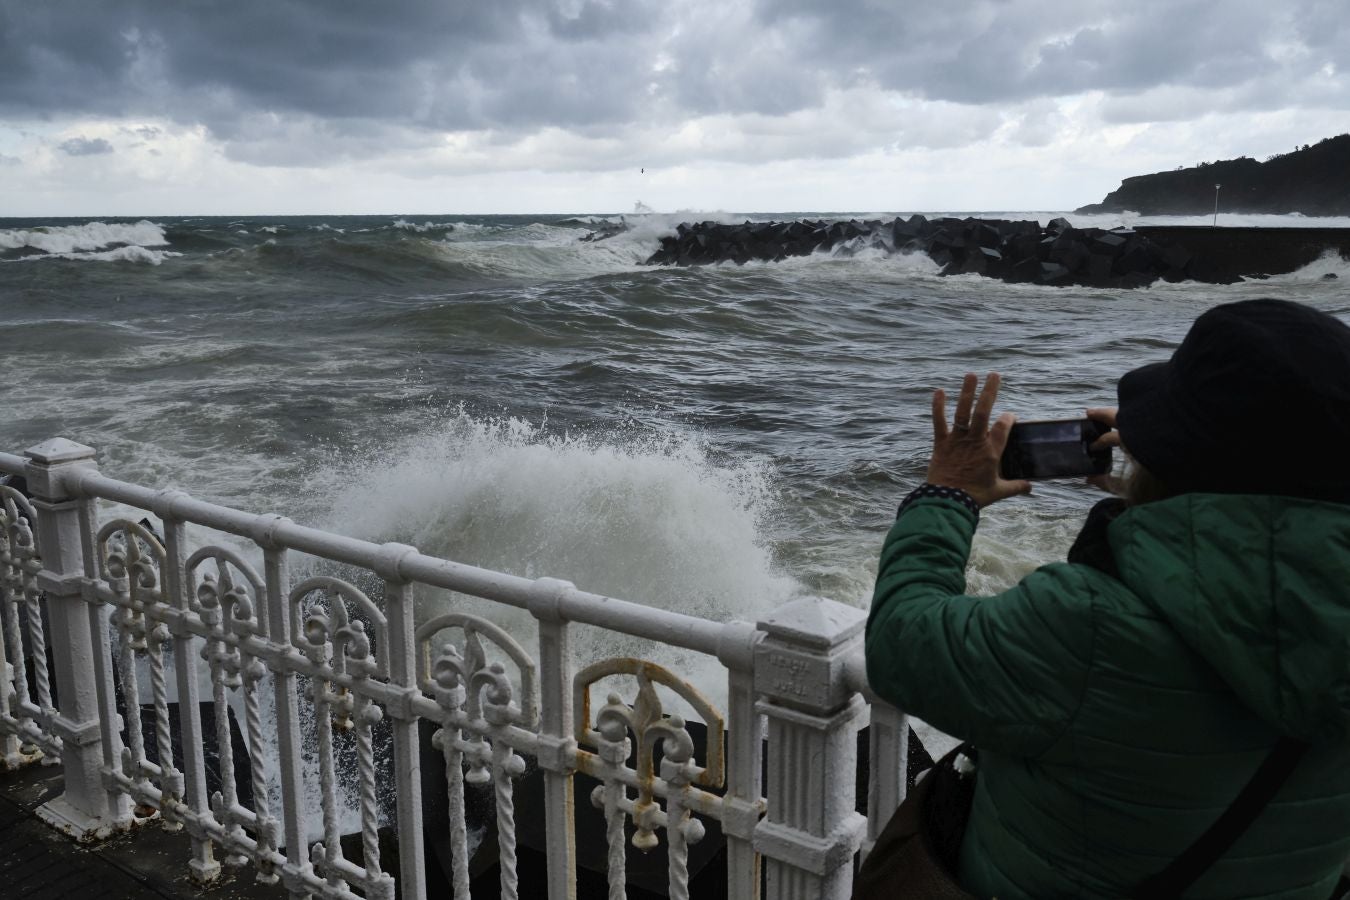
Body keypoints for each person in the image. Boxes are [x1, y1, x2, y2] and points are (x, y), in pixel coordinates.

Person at [865, 298, 1350, 899]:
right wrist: (1159, 499)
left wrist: (948, 495)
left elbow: (901, 642)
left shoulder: (1087, 624)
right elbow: (1266, 571)